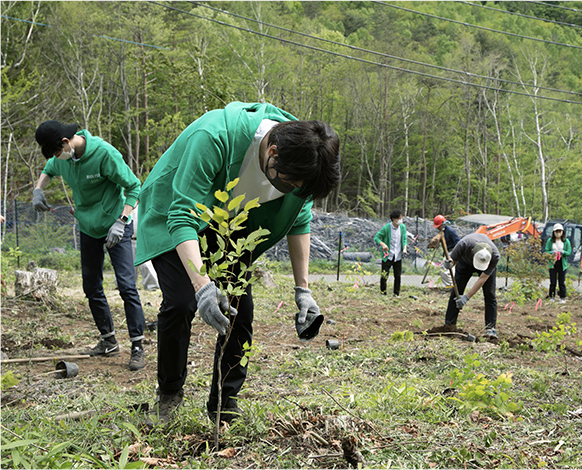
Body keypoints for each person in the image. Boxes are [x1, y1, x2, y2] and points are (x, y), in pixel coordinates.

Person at [135, 102, 340, 427]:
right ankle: (169, 394)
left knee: (239, 313)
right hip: (178, 215)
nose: (293, 192)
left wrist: (304, 291)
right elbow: (183, 214)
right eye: (289, 185)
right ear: (271, 152)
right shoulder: (216, 135)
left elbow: (300, 219)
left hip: (229, 226)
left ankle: (223, 404)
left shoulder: (306, 156)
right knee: (181, 303)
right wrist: (203, 288)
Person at [33, 120, 146, 371]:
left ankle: (137, 345)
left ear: (66, 142)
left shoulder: (104, 154)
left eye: (55, 151)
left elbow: (134, 186)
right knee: (91, 286)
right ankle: (108, 340)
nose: (55, 157)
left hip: (116, 223)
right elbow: (49, 169)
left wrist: (123, 220)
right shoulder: (63, 159)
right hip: (87, 226)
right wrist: (38, 189)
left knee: (127, 286)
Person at [427, 233, 500, 340]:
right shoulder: (464, 244)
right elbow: (453, 260)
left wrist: (467, 297)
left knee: (490, 294)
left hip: (486, 266)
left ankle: (490, 328)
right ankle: (450, 325)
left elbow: (482, 279)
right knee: (457, 290)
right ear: (472, 252)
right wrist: (450, 264)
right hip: (465, 263)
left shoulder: (495, 256)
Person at [374, 210, 407, 296]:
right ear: (393, 219)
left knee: (398, 276)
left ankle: (396, 293)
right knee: (384, 275)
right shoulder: (386, 228)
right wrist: (383, 244)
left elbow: (404, 239)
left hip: (398, 256)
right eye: (399, 218)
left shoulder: (402, 227)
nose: (401, 220)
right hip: (387, 256)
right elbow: (376, 238)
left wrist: (404, 248)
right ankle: (383, 292)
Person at [428, 215, 461, 286]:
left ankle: (450, 285)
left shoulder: (450, 231)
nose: (437, 228)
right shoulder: (442, 232)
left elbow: (458, 243)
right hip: (447, 252)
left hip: (453, 251)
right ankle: (452, 286)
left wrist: (455, 255)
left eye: (438, 226)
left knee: (444, 268)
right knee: (449, 270)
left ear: (443, 224)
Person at [545, 223, 571, 304]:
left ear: (562, 232)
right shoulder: (550, 241)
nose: (558, 233)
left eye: (559, 231)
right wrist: (551, 252)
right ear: (553, 232)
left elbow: (569, 252)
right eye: (556, 231)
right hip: (553, 263)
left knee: (561, 281)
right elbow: (546, 251)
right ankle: (551, 296)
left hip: (562, 263)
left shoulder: (566, 241)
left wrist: (563, 252)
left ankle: (562, 297)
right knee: (553, 281)